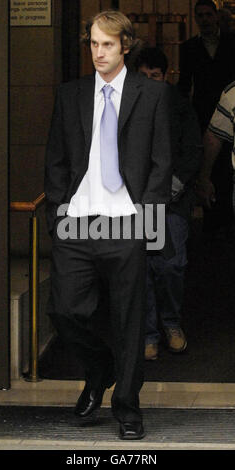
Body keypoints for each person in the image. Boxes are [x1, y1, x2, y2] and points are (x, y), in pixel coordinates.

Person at [44, 11, 172, 440]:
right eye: (94, 44)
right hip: (78, 222)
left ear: (126, 46)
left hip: (126, 222)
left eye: (107, 44)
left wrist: (146, 223)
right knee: (63, 310)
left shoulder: (151, 94)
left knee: (130, 322)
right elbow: (56, 161)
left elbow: (160, 163)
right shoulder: (70, 94)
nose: (98, 52)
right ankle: (100, 370)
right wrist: (59, 213)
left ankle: (128, 407)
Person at [135, 46, 202, 360]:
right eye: (144, 75)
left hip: (172, 201)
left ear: (166, 76)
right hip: (136, 202)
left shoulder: (179, 106)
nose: (149, 81)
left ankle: (171, 322)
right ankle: (149, 333)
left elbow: (192, 148)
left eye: (155, 76)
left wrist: (172, 186)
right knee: (142, 267)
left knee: (171, 265)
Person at [178, 0, 235, 241]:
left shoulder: (232, 42)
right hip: (203, 111)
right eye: (199, 15)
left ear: (216, 16)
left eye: (208, 15)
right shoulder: (190, 47)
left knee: (228, 164)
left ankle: (227, 217)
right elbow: (185, 82)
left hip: (231, 108)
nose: (204, 19)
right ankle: (213, 219)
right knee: (208, 164)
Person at [197, 81, 235, 215]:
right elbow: (213, 137)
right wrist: (204, 177)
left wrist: (204, 177)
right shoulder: (232, 92)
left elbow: (213, 138)